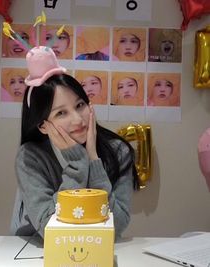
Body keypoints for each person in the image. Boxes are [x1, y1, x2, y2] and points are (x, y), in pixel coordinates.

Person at [10, 46, 139, 241]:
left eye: (80, 105)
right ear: (43, 126)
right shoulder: (30, 157)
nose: (78, 120)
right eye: (61, 113)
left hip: (98, 249)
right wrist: (77, 164)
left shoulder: (118, 151)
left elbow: (118, 224)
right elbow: (49, 228)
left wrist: (94, 160)